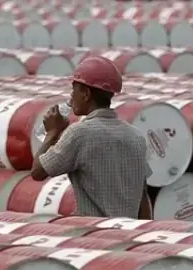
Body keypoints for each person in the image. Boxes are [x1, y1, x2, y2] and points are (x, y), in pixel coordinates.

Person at [30, 55, 153, 219]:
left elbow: (37, 172)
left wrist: (52, 133)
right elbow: (143, 198)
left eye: (74, 89)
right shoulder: (137, 137)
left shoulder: (79, 133)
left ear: (86, 93)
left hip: (94, 236)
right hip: (128, 231)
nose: (71, 96)